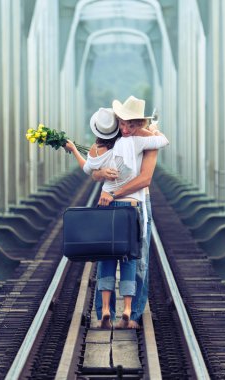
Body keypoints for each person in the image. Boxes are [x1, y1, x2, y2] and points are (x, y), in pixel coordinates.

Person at [65, 97, 168, 329]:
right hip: (129, 205)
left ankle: (129, 315)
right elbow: (94, 173)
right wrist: (102, 175)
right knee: (129, 258)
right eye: (122, 123)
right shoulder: (122, 138)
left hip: (133, 201)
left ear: (140, 123)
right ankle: (120, 313)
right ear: (117, 122)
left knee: (123, 258)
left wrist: (112, 190)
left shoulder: (143, 139)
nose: (126, 128)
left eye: (132, 124)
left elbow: (146, 179)